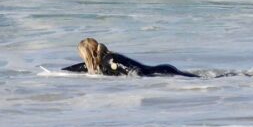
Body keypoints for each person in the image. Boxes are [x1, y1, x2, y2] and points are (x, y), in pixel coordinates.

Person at [61, 37, 200, 77]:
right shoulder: (101, 63)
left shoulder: (109, 59)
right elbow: (82, 67)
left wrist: (138, 81)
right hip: (163, 70)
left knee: (203, 81)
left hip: (162, 72)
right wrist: (62, 71)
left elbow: (133, 71)